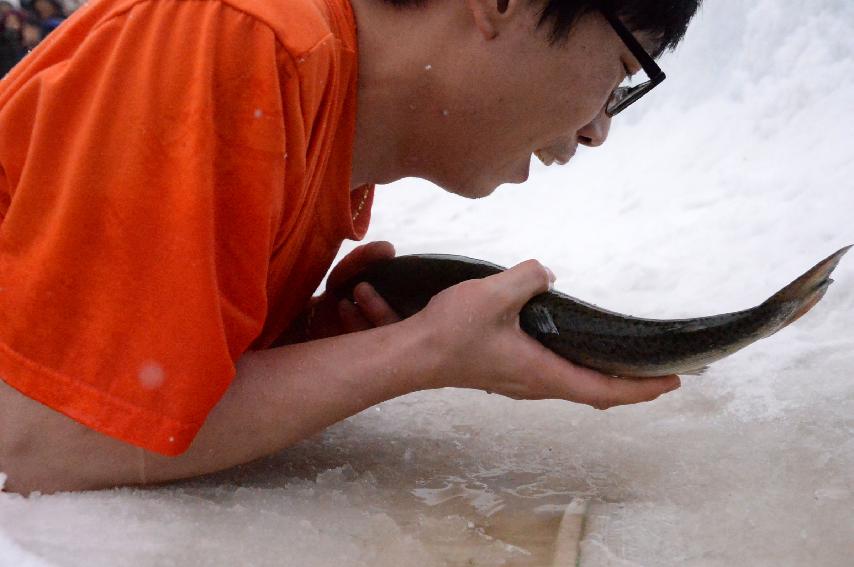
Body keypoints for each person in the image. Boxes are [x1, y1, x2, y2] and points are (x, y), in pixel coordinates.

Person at [0, 0, 700, 494]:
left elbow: (136, 398)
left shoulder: (319, 98)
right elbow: (35, 440)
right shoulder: (246, 35)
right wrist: (416, 352)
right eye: (618, 70)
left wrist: (308, 347)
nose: (596, 130)